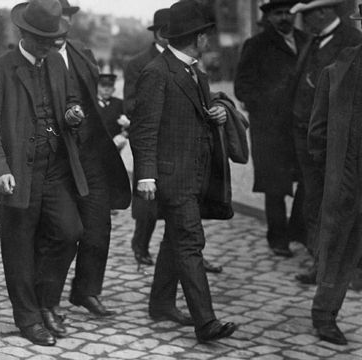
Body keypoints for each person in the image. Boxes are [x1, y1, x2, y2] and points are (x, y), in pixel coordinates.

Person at [0, 0, 88, 346]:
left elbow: (70, 99)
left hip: (55, 170)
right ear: (24, 34)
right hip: (17, 175)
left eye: (51, 40)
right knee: (19, 247)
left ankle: (47, 302)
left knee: (70, 232)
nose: (47, 47)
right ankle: (28, 318)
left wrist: (72, 112)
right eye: (40, 40)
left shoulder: (56, 62)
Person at [129, 0, 237, 342]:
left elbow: (199, 111)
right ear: (198, 37)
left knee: (174, 240)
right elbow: (143, 129)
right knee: (190, 240)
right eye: (207, 36)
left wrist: (217, 110)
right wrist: (146, 174)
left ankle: (161, 304)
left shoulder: (196, 73)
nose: (209, 42)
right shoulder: (157, 73)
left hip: (196, 174)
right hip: (172, 176)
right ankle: (206, 322)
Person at [56, 0, 132, 318]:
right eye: (55, 17)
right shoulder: (36, 57)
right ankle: (45, 298)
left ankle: (87, 290)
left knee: (98, 227)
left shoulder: (81, 51)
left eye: (65, 17)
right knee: (60, 232)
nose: (61, 23)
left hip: (91, 154)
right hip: (57, 158)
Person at [289, 0, 362, 284]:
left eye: (307, 15)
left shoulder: (352, 41)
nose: (304, 22)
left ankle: (350, 268)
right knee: (313, 200)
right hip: (307, 136)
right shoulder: (313, 40)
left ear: (324, 11)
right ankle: (320, 263)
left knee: (344, 204)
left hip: (338, 142)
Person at [234, 0, 308, 258]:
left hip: (302, 126)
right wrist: (266, 104)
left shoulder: (307, 40)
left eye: (288, 13)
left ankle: (299, 230)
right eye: (278, 13)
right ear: (268, 17)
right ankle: (278, 239)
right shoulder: (256, 45)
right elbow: (241, 86)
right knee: (274, 186)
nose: (285, 18)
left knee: (308, 180)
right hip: (270, 129)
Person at [307, 5, 362, 345]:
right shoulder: (337, 71)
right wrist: (336, 172)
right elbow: (318, 133)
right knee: (341, 247)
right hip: (350, 177)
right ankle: (324, 314)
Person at [123, 8, 169, 268]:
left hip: (174, 140)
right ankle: (140, 244)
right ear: (160, 33)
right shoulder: (138, 63)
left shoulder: (184, 61)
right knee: (147, 199)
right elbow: (129, 104)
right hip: (147, 138)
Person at [96, 74, 128, 148]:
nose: (106, 90)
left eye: (110, 86)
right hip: (94, 147)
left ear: (114, 89)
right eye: (103, 86)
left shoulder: (119, 104)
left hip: (114, 147)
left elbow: (132, 123)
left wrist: (123, 135)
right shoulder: (90, 103)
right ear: (97, 87)